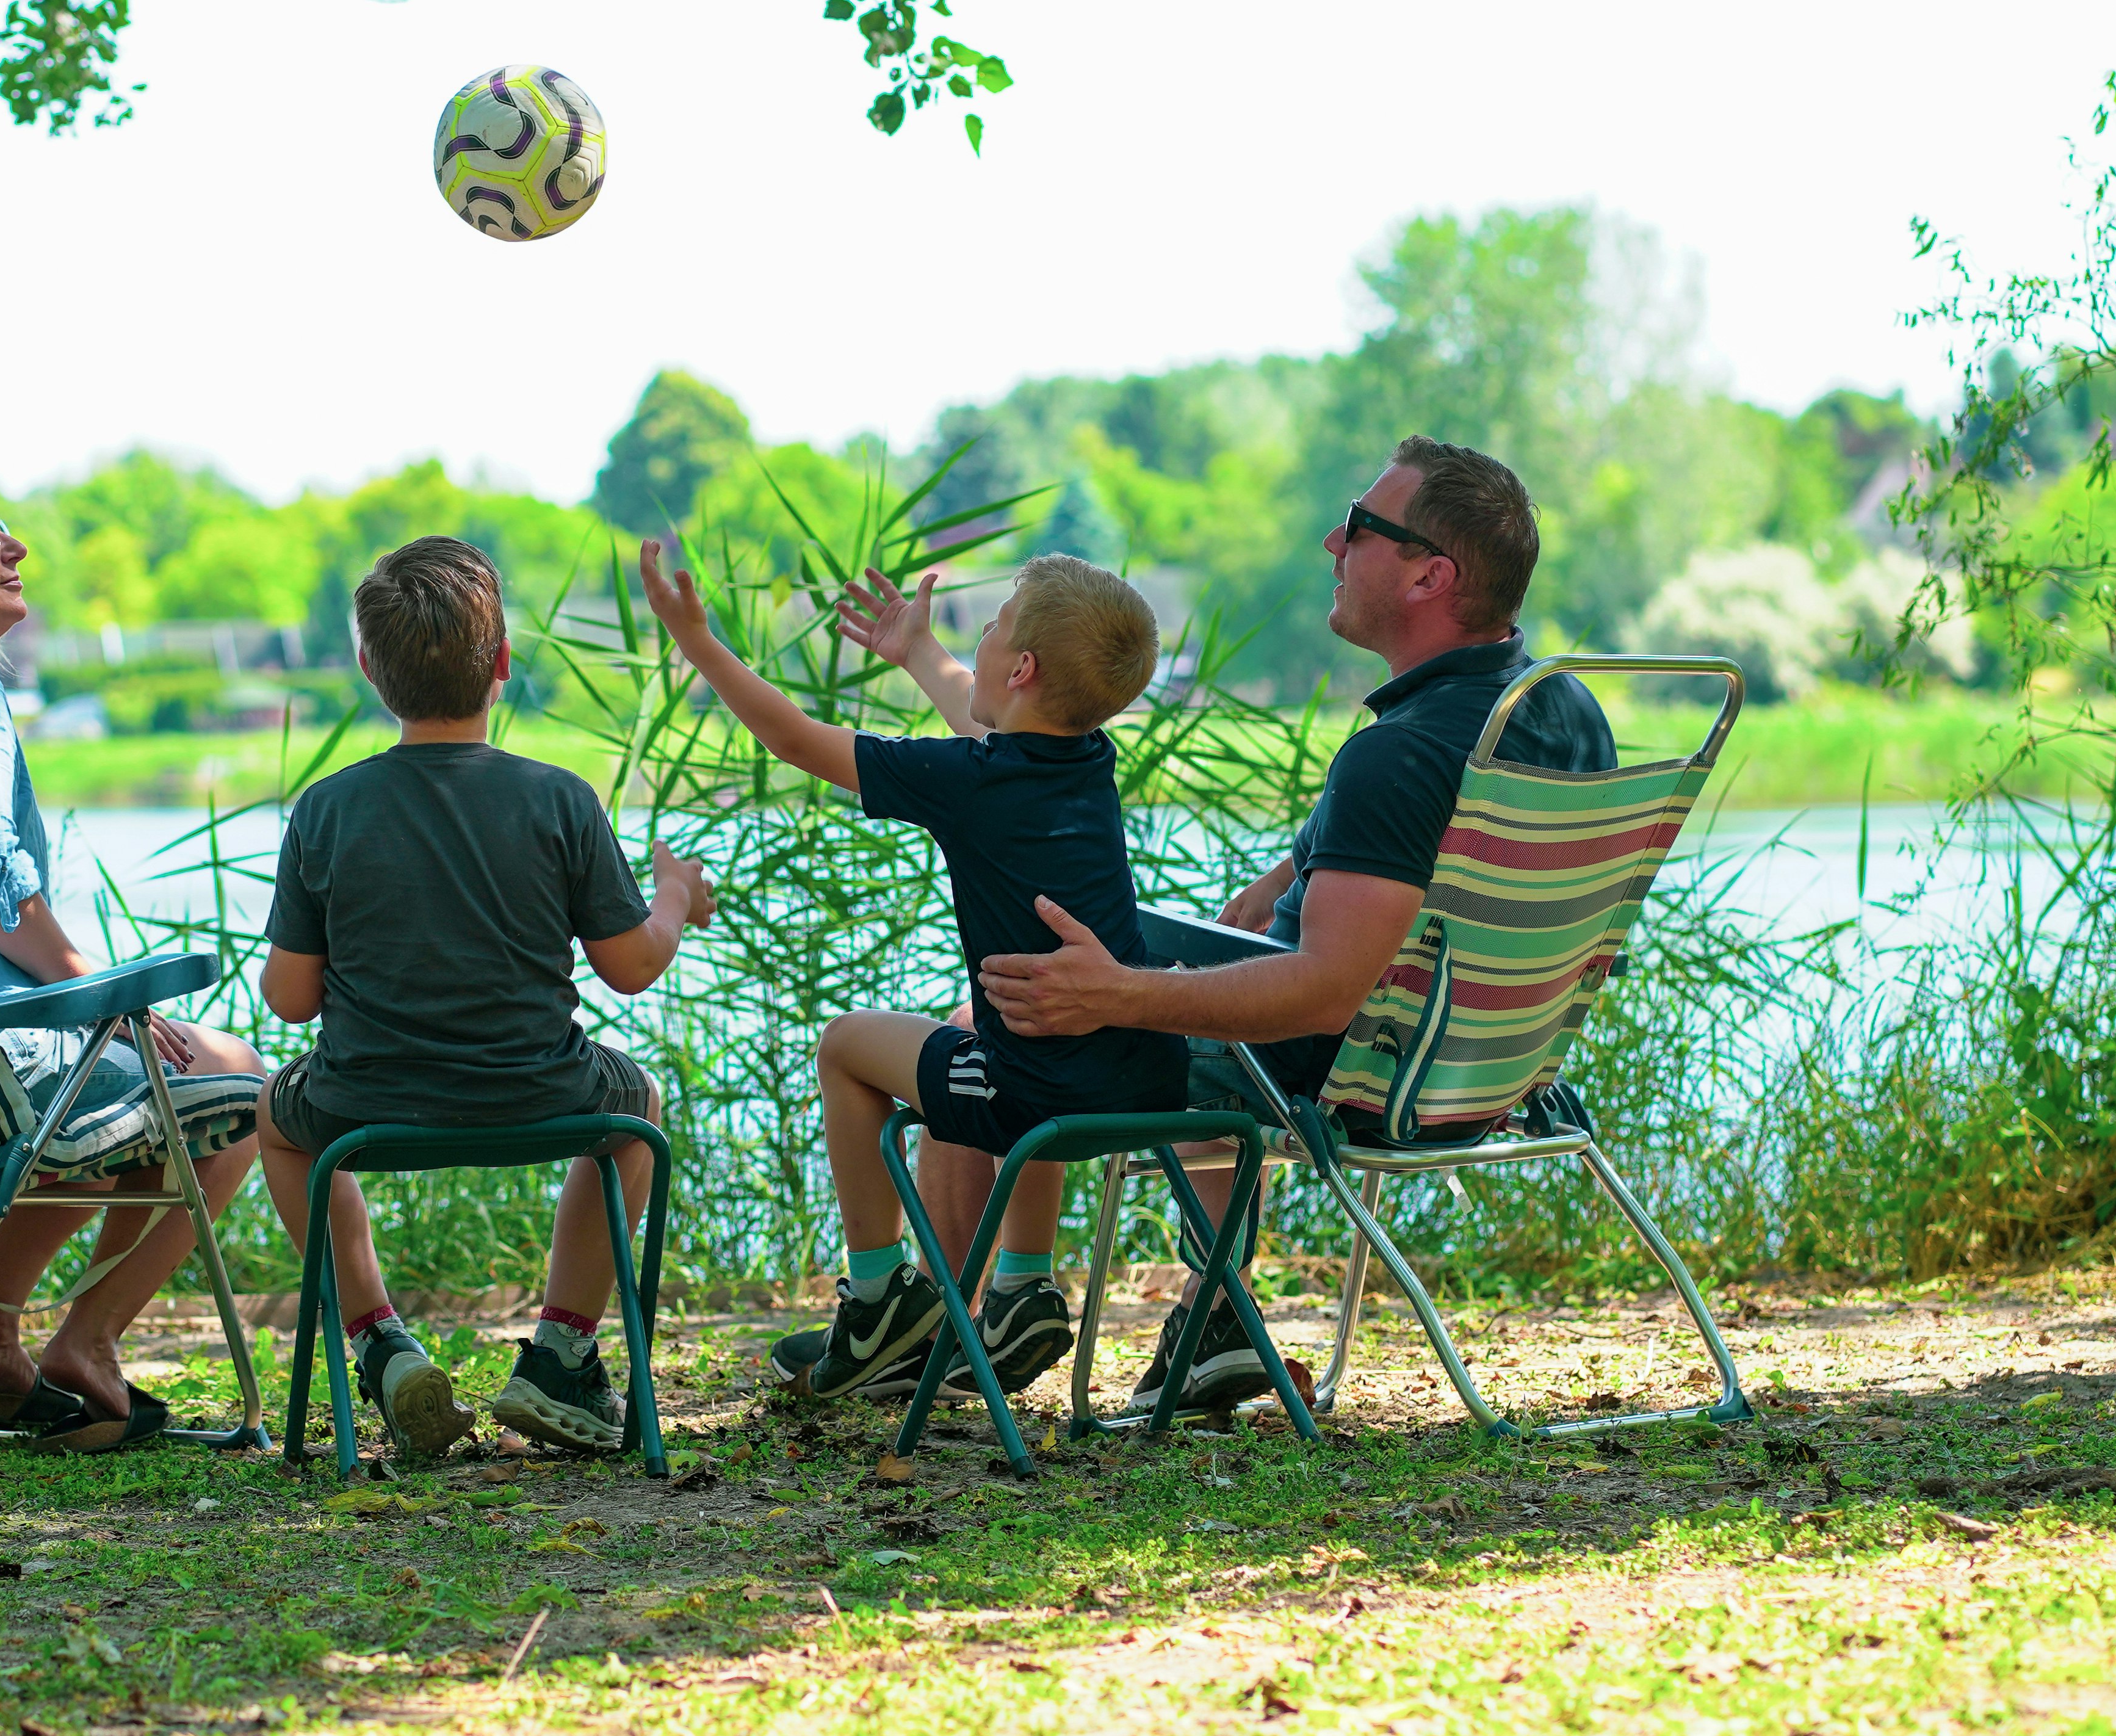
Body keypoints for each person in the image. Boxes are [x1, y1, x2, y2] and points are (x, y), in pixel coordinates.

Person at [976, 435, 1617, 1414]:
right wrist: (1302, 863)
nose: (1332, 540)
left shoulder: (1396, 755)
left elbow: (1323, 992)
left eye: (1361, 527)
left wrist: (1127, 994)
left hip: (1365, 1080)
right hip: (1497, 1070)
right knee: (1172, 981)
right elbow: (1431, 855)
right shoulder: (1556, 712)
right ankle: (1214, 1316)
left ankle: (995, 1300)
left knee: (1027, 1010)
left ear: (1429, 575)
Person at [637, 540, 1183, 1401]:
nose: (986, 640)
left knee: (846, 1045)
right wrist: (918, 653)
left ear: (1024, 666)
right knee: (992, 1024)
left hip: (1039, 1097)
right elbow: (986, 712)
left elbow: (791, 738)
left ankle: (878, 1292)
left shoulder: (968, 779)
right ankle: (1020, 1287)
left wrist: (698, 643)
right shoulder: (1085, 759)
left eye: (995, 627)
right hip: (1137, 1075)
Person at [0, 473, 269, 1453]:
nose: (14, 545)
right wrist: (100, 997)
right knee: (238, 1087)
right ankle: (79, 1340)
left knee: (135, 1100)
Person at [256, 536, 713, 1458]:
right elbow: (630, 967)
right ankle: (559, 1351)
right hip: (540, 1095)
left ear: (369, 672)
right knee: (637, 1113)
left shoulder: (326, 809)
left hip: (362, 1105)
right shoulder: (560, 799)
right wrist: (673, 900)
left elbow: (289, 1002)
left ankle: (379, 1342)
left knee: (276, 1118)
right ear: (501, 663)